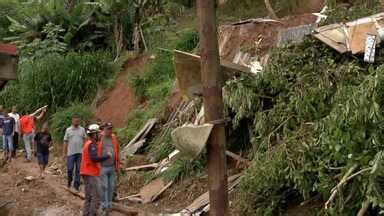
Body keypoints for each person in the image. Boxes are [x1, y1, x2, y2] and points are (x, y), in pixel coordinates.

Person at [80, 124, 111, 216]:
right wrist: (107, 156)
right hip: (90, 173)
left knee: (89, 196)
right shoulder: (91, 145)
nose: (100, 135)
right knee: (96, 196)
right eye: (98, 133)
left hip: (87, 172)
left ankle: (86, 213)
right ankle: (92, 213)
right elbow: (94, 158)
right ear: (94, 134)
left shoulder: (90, 143)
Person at [100, 122, 120, 215]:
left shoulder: (114, 138)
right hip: (102, 166)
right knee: (104, 187)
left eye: (111, 128)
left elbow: (117, 151)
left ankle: (109, 205)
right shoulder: (100, 138)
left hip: (112, 166)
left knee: (111, 187)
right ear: (104, 129)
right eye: (108, 129)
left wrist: (118, 165)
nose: (109, 130)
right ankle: (104, 205)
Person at [63, 115, 87, 191]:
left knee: (79, 169)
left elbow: (85, 139)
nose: (77, 122)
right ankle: (69, 182)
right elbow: (65, 141)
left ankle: (76, 185)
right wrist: (64, 153)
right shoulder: (68, 130)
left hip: (80, 153)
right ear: (72, 121)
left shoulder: (82, 130)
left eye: (78, 121)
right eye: (75, 121)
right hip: (71, 153)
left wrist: (85, 150)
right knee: (70, 169)